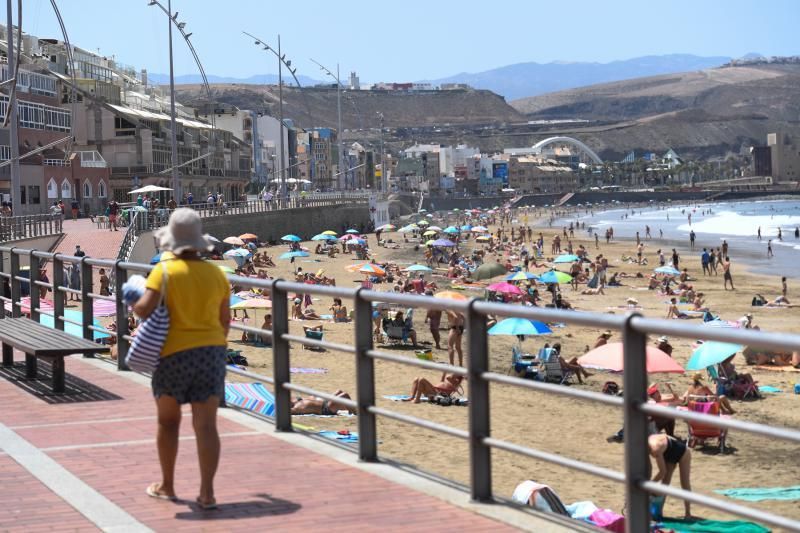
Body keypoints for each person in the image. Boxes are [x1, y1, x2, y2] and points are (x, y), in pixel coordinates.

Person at [132, 208, 230, 509]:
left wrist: (133, 295)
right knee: (206, 426)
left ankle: (168, 485)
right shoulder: (217, 274)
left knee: (169, 422)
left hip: (173, 354)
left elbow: (143, 309)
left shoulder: (164, 270)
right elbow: (225, 322)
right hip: (211, 352)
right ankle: (207, 493)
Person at [648, 433, 694, 519]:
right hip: (668, 452)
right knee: (665, 483)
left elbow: (662, 472)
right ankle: (659, 512)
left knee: (685, 483)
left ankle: (688, 513)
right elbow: (649, 467)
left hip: (683, 452)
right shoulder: (644, 446)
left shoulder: (655, 448)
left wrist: (649, 485)